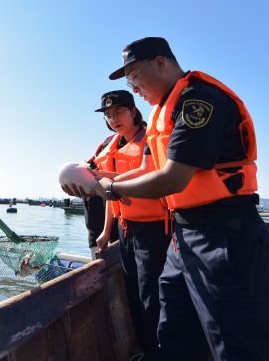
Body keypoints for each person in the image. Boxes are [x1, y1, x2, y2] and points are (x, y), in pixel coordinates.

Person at [67, 37, 269, 360]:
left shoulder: (198, 100)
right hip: (183, 238)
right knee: (174, 333)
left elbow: (173, 179)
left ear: (161, 63)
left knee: (237, 344)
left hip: (224, 235)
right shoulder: (161, 116)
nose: (134, 88)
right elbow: (146, 170)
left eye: (135, 76)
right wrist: (98, 181)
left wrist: (110, 190)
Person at [89, 90, 170, 358]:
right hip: (126, 231)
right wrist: (104, 232)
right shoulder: (108, 146)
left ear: (134, 111)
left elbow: (142, 174)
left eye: (119, 112)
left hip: (156, 230)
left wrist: (104, 179)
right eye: (109, 115)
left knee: (153, 295)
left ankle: (161, 352)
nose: (114, 119)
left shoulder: (150, 139)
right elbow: (113, 195)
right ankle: (146, 350)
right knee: (133, 293)